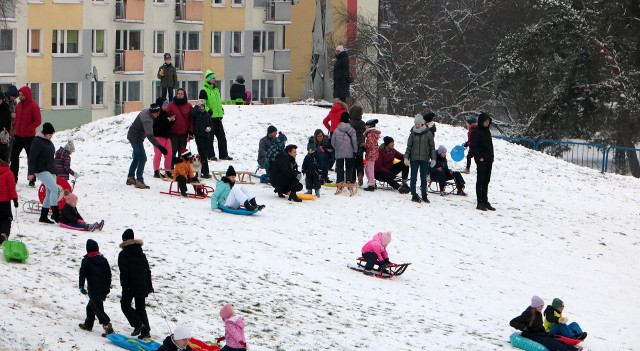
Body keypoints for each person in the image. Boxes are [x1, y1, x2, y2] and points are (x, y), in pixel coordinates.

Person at [510, 296, 583, 351]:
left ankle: (573, 349)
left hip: (539, 333)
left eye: (542, 305)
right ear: (536, 305)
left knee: (555, 339)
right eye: (541, 305)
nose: (542, 307)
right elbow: (513, 322)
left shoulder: (538, 313)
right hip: (531, 334)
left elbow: (539, 325)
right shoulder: (528, 313)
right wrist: (524, 328)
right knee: (549, 342)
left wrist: (546, 333)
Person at [118, 229, 153, 340]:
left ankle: (138, 324)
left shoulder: (123, 254)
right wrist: (149, 285)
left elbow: (124, 272)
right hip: (143, 285)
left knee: (125, 305)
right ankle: (146, 332)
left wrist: (124, 286)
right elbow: (147, 270)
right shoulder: (141, 253)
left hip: (130, 285)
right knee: (140, 308)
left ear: (124, 239)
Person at [78, 239, 115, 337]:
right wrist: (107, 287)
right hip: (103, 288)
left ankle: (107, 326)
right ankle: (88, 324)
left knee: (97, 308)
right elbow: (109, 274)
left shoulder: (86, 260)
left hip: (94, 288)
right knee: (91, 307)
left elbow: (82, 274)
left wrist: (81, 286)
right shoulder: (104, 259)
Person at [126, 104, 168, 189]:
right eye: (156, 113)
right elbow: (150, 136)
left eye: (158, 113)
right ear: (152, 112)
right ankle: (139, 181)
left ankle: (130, 178)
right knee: (142, 158)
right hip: (135, 138)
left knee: (137, 157)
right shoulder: (147, 119)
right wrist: (160, 147)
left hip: (135, 136)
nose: (158, 115)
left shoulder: (147, 111)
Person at [28, 122, 59, 223]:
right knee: (54, 189)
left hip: (51, 169)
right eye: (50, 134)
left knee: (50, 192)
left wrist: (55, 170)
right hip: (41, 169)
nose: (51, 136)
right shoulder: (37, 141)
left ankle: (43, 216)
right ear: (45, 133)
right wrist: (30, 172)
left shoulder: (49, 142)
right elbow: (32, 157)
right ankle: (55, 213)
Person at [10, 86, 42, 186]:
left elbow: (38, 121)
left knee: (31, 158)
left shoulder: (34, 106)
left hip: (29, 137)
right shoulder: (19, 105)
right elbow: (17, 118)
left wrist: (28, 129)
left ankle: (32, 179)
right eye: (19, 95)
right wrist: (15, 125)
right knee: (14, 156)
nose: (20, 96)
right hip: (18, 136)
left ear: (27, 95)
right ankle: (13, 178)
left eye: (22, 95)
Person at [200, 70, 232, 161]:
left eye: (215, 77)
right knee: (210, 138)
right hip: (210, 118)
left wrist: (221, 109)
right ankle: (210, 155)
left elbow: (218, 102)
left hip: (218, 117)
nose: (215, 79)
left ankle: (223, 154)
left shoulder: (216, 89)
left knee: (222, 137)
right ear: (209, 79)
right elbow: (202, 104)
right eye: (213, 78)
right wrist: (208, 112)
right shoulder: (204, 90)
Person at [405, 114, 436, 203]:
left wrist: (433, 158)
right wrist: (406, 157)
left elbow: (432, 147)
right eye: (416, 124)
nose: (417, 125)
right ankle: (414, 194)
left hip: (424, 158)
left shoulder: (428, 133)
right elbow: (409, 147)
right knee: (413, 177)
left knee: (423, 178)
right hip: (414, 158)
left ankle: (424, 195)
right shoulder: (412, 134)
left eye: (419, 124)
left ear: (422, 123)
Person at [470, 112, 495, 211]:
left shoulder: (487, 131)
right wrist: (479, 157)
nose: (487, 123)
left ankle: (485, 201)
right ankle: (479, 202)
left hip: (488, 159)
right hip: (481, 160)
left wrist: (492, 157)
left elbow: (490, 145)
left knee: (486, 181)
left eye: (488, 121)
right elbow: (473, 147)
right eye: (485, 121)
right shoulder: (476, 132)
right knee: (480, 181)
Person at [167, 88, 193, 169]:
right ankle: (171, 168)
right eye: (178, 93)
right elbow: (166, 115)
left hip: (184, 133)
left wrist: (191, 131)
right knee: (172, 151)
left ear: (184, 95)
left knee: (182, 152)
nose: (180, 95)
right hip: (173, 132)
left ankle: (180, 168)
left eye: (181, 93)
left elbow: (191, 119)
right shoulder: (171, 104)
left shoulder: (189, 106)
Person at [331, 112, 357, 189]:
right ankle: (348, 180)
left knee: (340, 167)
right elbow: (354, 141)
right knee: (349, 166)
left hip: (339, 152)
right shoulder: (352, 130)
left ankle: (339, 182)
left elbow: (333, 142)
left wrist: (337, 148)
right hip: (349, 151)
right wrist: (355, 150)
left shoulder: (336, 130)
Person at [153, 98, 175, 178]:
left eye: (167, 104)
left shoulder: (165, 113)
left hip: (166, 137)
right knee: (158, 154)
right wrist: (167, 120)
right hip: (158, 136)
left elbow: (167, 124)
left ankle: (167, 171)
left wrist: (172, 120)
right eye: (164, 104)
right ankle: (156, 171)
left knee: (169, 154)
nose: (166, 106)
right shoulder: (156, 114)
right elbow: (159, 124)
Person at [190, 100, 212, 178]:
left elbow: (210, 124)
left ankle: (204, 171)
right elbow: (192, 113)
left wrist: (209, 128)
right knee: (202, 153)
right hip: (199, 136)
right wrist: (196, 106)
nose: (201, 107)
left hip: (206, 136)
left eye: (202, 106)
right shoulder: (196, 114)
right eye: (199, 106)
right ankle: (204, 171)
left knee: (205, 153)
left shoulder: (207, 114)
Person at [0, 158, 18, 244]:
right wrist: (15, 199)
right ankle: (4, 234)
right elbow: (11, 188)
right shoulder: (8, 173)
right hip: (5, 201)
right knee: (7, 218)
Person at [349, 104, 366, 186]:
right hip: (360, 145)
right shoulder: (363, 124)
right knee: (360, 162)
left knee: (351, 163)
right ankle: (360, 175)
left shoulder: (349, 123)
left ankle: (352, 180)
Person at [362, 119, 380, 191]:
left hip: (371, 153)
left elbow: (370, 144)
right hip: (373, 153)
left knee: (369, 169)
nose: (365, 126)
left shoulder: (370, 134)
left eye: (366, 125)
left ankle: (371, 184)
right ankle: (371, 182)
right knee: (367, 169)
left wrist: (364, 145)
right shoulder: (373, 133)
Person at [0, 92, 11, 161]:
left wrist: (6, 132)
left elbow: (8, 123)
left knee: (3, 156)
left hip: (3, 135)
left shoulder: (6, 108)